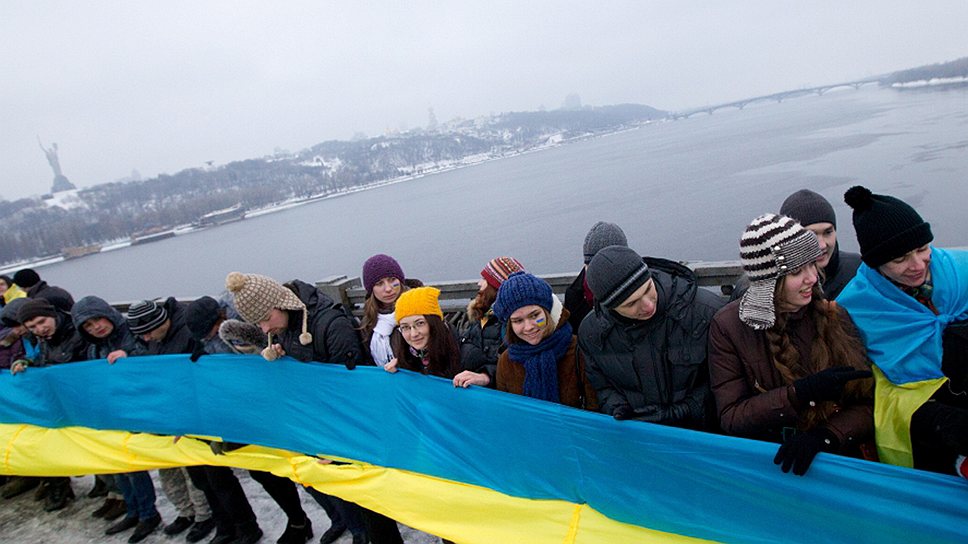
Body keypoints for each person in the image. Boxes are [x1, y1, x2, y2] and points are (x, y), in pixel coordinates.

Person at [708, 213, 874, 476]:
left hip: (836, 462)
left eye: (812, 265)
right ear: (768, 282)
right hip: (770, 466)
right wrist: (799, 394)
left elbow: (869, 401)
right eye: (797, 271)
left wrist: (827, 435)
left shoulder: (833, 315)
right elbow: (731, 416)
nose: (812, 278)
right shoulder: (729, 327)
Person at [226, 272, 369, 544]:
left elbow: (348, 388)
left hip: (339, 425)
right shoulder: (288, 329)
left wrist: (335, 444)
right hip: (313, 423)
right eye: (258, 322)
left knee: (348, 484)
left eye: (266, 318)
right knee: (319, 480)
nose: (264, 329)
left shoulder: (331, 324)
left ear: (283, 303)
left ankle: (363, 533)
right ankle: (350, 525)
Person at [837, 185, 968, 480]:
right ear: (876, 264)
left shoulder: (962, 271)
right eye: (900, 260)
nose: (918, 264)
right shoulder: (855, 308)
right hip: (924, 417)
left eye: (923, 249)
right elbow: (865, 386)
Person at [578, 245, 724, 430]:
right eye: (631, 303)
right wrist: (617, 409)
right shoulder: (592, 334)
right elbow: (602, 387)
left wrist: (682, 411)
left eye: (648, 288)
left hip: (705, 434)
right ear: (610, 306)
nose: (647, 305)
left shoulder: (707, 312)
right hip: (641, 439)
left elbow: (728, 381)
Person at [125, 299, 222, 542]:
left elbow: (200, 374)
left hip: (195, 416)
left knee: (208, 475)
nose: (146, 338)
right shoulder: (154, 341)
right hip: (172, 413)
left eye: (147, 332)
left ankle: (208, 516)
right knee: (185, 471)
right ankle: (191, 513)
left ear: (159, 322)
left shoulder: (187, 332)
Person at [71, 296, 164, 540]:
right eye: (88, 327)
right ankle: (132, 509)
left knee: (134, 463)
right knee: (118, 463)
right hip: (115, 410)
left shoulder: (132, 330)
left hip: (140, 407)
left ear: (107, 313)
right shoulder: (94, 347)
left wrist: (128, 356)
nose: (96, 327)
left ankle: (147, 512)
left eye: (97, 320)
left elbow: (154, 355)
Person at [12, 298, 88, 511]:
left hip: (85, 401)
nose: (39, 329)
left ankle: (116, 494)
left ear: (52, 314)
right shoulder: (46, 338)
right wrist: (28, 363)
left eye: (41, 321)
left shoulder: (77, 331)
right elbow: (47, 362)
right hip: (66, 402)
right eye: (32, 327)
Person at [491, 272, 598, 410]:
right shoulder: (507, 361)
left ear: (547, 312)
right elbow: (508, 411)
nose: (529, 327)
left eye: (535, 315)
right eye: (518, 321)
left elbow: (595, 408)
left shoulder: (579, 351)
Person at [731, 189, 862, 301]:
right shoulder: (753, 288)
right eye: (811, 235)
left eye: (828, 232)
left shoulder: (857, 270)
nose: (822, 245)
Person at [454, 256, 525, 389]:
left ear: (495, 286)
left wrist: (486, 376)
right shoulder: (483, 315)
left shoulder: (511, 324)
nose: (479, 283)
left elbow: (514, 368)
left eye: (485, 279)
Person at [359, 254, 421, 368]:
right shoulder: (369, 322)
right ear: (371, 289)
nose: (388, 289)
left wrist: (403, 364)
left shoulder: (419, 309)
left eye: (392, 280)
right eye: (379, 283)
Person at [563, 221, 628, 332]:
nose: (600, 274)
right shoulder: (574, 297)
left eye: (608, 267)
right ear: (586, 265)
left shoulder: (641, 287)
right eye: (594, 266)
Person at [386, 286, 461, 378]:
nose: (414, 334)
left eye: (420, 323)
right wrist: (400, 369)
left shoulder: (463, 353)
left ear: (434, 323)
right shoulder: (406, 359)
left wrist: (483, 377)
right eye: (405, 327)